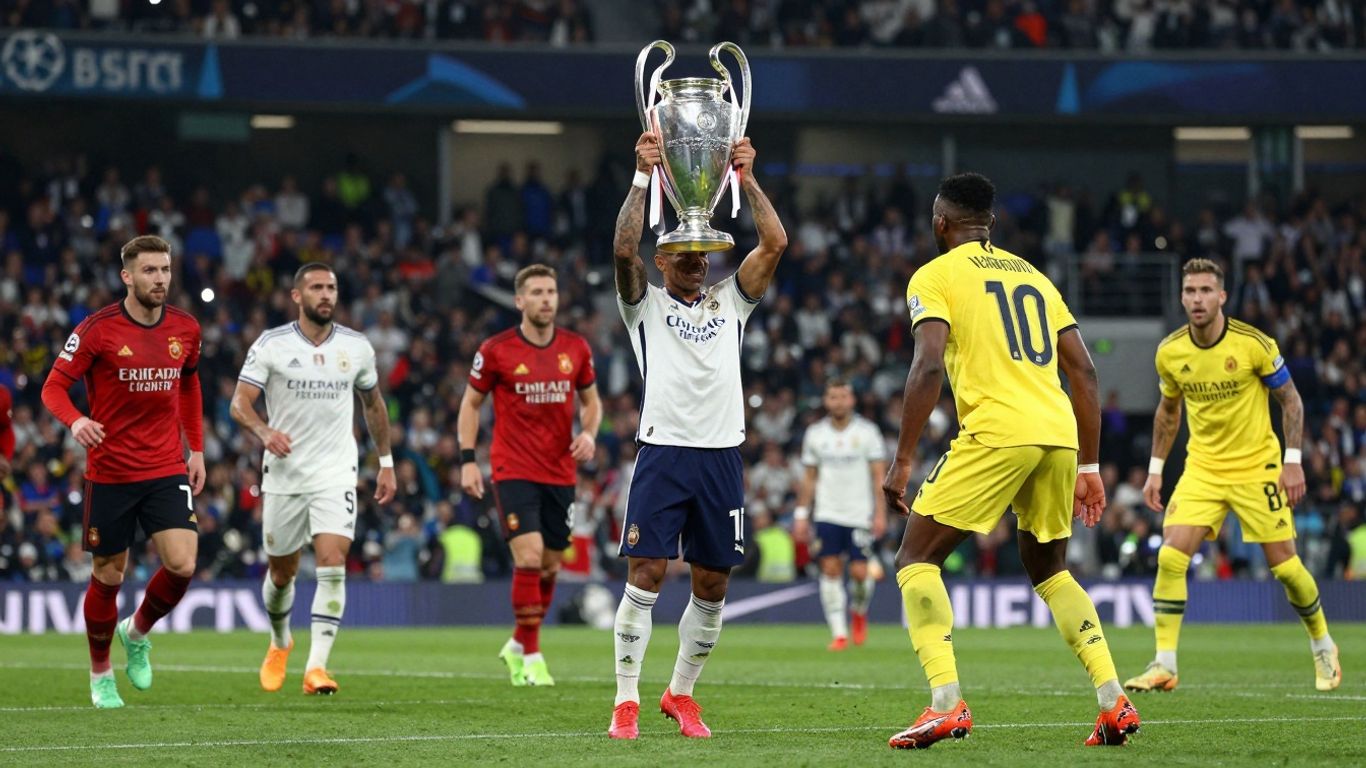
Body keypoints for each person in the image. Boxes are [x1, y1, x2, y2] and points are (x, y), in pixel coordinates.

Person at [881, 173, 1139, 749]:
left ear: (940, 223)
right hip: (1058, 433)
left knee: (916, 557)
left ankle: (945, 703)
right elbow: (1084, 372)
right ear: (990, 224)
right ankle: (1112, 699)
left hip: (998, 430)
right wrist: (1090, 467)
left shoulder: (935, 275)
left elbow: (927, 365)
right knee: (1050, 570)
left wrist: (902, 460)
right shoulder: (1035, 277)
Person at [607, 131, 788, 740]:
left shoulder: (730, 302)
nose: (695, 260)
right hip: (664, 451)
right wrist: (642, 175)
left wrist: (747, 177)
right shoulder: (644, 306)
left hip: (721, 456)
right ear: (661, 261)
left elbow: (775, 243)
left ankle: (681, 693)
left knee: (712, 584)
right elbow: (623, 247)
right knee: (647, 574)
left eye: (701, 253)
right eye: (682, 253)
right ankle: (626, 701)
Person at [1124, 258, 1340, 694]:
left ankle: (1322, 643)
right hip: (1203, 468)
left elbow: (1291, 400)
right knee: (1170, 556)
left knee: (1286, 567)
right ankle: (1165, 663)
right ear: (1181, 297)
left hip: (1256, 466)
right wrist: (1155, 471)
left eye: (1206, 290)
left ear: (1222, 296)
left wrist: (1293, 460)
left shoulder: (1253, 344)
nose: (1197, 299)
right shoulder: (1170, 352)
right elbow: (1168, 413)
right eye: (1190, 291)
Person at [40, 235, 205, 709]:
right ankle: (100, 674)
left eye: (165, 269)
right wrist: (77, 421)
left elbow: (189, 385)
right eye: (150, 270)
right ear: (127, 276)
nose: (160, 279)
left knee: (183, 564)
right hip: (111, 472)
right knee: (108, 576)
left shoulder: (186, 328)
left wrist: (195, 449)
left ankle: (136, 631)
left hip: (165, 466)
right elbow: (53, 388)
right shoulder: (98, 330)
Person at [230, 262, 397, 696]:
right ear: (297, 296)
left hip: (336, 472)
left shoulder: (356, 347)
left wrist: (386, 461)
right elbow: (239, 403)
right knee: (282, 573)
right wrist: (264, 432)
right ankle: (280, 640)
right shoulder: (272, 344)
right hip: (285, 474)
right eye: (317, 287)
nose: (326, 294)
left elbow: (373, 404)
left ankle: (316, 668)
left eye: (331, 288)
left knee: (332, 560)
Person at [457, 263, 601, 687]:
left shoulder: (576, 348)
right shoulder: (496, 350)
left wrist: (589, 434)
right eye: (536, 293)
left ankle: (518, 643)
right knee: (530, 557)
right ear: (519, 301)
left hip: (560, 470)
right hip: (513, 468)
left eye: (551, 292)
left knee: (551, 565)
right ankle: (533, 656)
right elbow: (470, 404)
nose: (545, 299)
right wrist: (468, 459)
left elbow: (591, 402)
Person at [792, 378, 887, 650]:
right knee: (830, 569)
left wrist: (880, 514)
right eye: (833, 397)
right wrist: (801, 514)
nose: (839, 402)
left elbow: (878, 476)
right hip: (827, 512)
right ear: (826, 401)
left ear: (852, 400)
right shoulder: (815, 434)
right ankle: (839, 632)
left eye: (843, 396)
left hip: (859, 513)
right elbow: (809, 478)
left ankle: (859, 610)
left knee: (859, 572)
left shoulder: (868, 432)